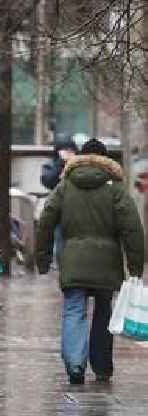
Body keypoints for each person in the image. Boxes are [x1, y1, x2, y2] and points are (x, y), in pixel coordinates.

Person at [36, 138, 144, 385]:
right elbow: (132, 228)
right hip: (107, 263)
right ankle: (102, 366)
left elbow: (46, 222)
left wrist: (42, 258)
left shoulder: (65, 187)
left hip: (73, 259)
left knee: (74, 309)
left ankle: (75, 365)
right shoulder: (115, 189)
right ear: (107, 161)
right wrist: (136, 266)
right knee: (104, 312)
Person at [40, 140, 78, 266]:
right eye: (65, 149)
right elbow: (48, 180)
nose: (68, 153)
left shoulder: (79, 164)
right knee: (60, 240)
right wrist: (61, 164)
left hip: (78, 209)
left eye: (71, 150)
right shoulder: (51, 165)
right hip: (59, 211)